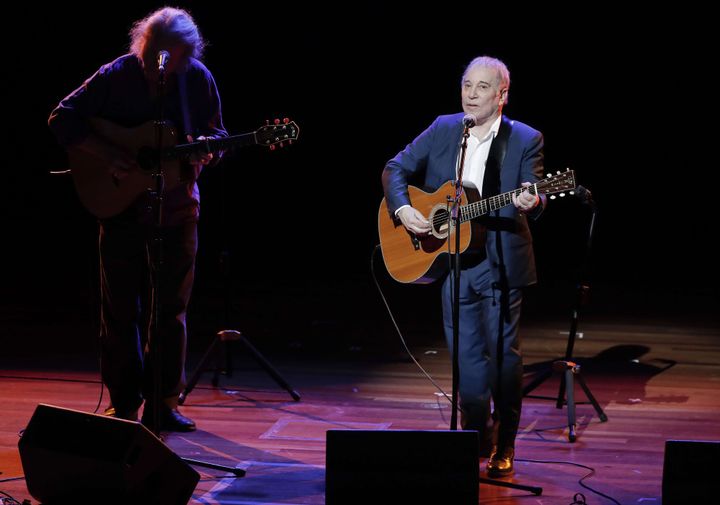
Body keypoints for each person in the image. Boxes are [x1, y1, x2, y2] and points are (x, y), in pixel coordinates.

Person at [48, 7, 227, 432]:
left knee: (170, 310)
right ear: (141, 47)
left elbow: (218, 135)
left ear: (185, 54)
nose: (153, 67)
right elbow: (61, 118)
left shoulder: (198, 79)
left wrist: (209, 148)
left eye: (166, 58)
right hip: (120, 207)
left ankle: (163, 404)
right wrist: (109, 154)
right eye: (149, 56)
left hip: (178, 206)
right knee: (120, 308)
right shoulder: (116, 74)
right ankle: (124, 402)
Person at [382, 56, 545, 476]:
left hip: (500, 259)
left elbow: (532, 190)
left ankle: (505, 442)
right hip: (455, 263)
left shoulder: (525, 138)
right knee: (466, 359)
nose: (471, 94)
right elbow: (395, 168)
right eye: (466, 86)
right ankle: (476, 436)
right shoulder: (444, 128)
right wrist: (402, 210)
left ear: (502, 94)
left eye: (482, 87)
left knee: (503, 356)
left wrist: (534, 199)